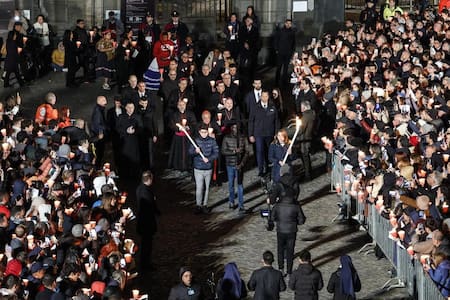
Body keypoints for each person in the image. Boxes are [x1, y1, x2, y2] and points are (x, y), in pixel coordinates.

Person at [268, 167, 305, 276]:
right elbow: (302, 220)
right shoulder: (296, 205)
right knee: (290, 250)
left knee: (280, 249)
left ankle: (281, 268)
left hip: (280, 229)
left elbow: (272, 217)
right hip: (292, 229)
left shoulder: (278, 205)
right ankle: (289, 270)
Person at [248, 90, 280, 177]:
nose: (265, 98)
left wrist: (276, 133)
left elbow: (277, 121)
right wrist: (250, 134)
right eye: (263, 96)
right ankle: (261, 169)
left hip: (269, 133)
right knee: (259, 151)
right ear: (260, 97)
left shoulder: (272, 107)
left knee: (269, 151)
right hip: (258, 134)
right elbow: (251, 121)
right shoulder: (255, 107)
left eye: (266, 96)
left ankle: (269, 167)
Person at [189, 124, 219, 213]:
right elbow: (190, 152)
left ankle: (205, 205)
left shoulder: (212, 141)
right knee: (199, 188)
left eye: (205, 132)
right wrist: (195, 151)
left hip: (208, 168)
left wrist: (209, 159)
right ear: (199, 132)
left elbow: (216, 153)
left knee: (207, 187)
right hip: (198, 168)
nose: (204, 134)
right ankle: (198, 205)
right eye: (202, 132)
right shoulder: (196, 141)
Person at [221, 122, 250, 211]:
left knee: (240, 185)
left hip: (239, 165)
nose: (235, 129)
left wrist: (242, 164)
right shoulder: (226, 138)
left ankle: (241, 205)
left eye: (236, 128)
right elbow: (223, 151)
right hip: (230, 164)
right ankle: (231, 201)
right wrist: (233, 151)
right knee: (231, 184)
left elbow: (247, 151)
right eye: (233, 128)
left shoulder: (243, 137)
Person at [135, 171, 160, 271]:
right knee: (147, 245)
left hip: (143, 222)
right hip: (147, 223)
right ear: (149, 179)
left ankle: (145, 263)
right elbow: (149, 208)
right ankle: (145, 265)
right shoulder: (146, 193)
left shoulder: (140, 189)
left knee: (146, 244)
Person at [168, 99, 197, 174]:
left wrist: (188, 127)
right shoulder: (174, 115)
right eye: (180, 105)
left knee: (188, 151)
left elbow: (194, 123)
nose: (182, 107)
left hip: (188, 137)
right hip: (178, 137)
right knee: (178, 152)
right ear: (177, 106)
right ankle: (178, 166)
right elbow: (171, 124)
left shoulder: (190, 114)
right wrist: (178, 128)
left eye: (183, 105)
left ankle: (188, 166)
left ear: (185, 105)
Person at [116, 102, 142, 179]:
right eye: (129, 107)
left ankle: (135, 174)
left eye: (132, 108)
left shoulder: (137, 117)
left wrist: (135, 131)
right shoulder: (121, 117)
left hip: (134, 142)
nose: (131, 109)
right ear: (126, 108)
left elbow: (141, 128)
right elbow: (117, 128)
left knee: (135, 159)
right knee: (125, 158)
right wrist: (126, 131)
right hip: (124, 141)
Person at [298, 101, 316, 181]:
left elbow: (302, 129)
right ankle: (308, 172)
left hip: (305, 139)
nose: (300, 108)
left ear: (305, 107)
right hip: (309, 137)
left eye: (301, 107)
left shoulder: (305, 116)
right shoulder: (312, 114)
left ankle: (307, 174)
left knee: (305, 157)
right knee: (306, 156)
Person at [274, 19, 296, 84]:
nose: (288, 24)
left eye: (290, 23)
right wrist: (276, 49)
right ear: (285, 23)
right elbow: (276, 40)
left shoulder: (292, 32)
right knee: (279, 67)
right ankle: (276, 81)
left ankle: (284, 81)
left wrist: (292, 51)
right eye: (287, 23)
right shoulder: (280, 31)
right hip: (280, 52)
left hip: (288, 52)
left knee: (286, 68)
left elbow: (293, 43)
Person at [3, 22, 25, 88]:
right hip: (11, 56)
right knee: (11, 71)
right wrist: (14, 40)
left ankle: (20, 83)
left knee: (14, 70)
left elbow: (21, 45)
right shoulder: (11, 33)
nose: (18, 27)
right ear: (15, 26)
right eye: (17, 26)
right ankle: (20, 83)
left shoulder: (20, 35)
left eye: (20, 26)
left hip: (14, 56)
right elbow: (10, 43)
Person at [90, 95, 108, 169]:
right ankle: (97, 167)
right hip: (99, 136)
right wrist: (101, 132)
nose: (106, 102)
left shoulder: (99, 109)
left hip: (99, 135)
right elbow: (97, 124)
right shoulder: (98, 111)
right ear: (99, 101)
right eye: (104, 101)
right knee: (99, 152)